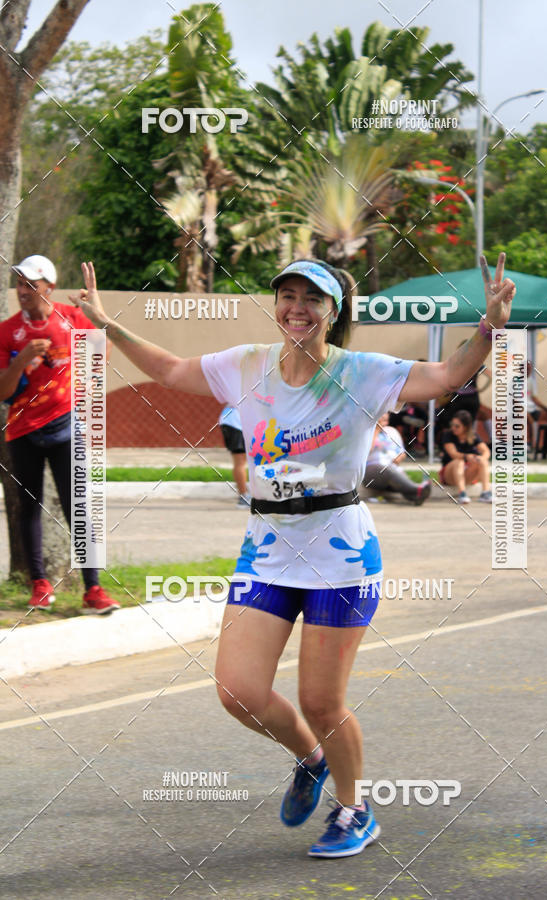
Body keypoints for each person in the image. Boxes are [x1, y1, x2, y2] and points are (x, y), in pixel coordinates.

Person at [68, 252, 515, 858]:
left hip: (341, 557)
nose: (298, 308)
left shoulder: (361, 372)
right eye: (288, 296)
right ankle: (311, 757)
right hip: (267, 552)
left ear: (333, 311)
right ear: (277, 304)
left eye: (313, 299)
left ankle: (355, 810)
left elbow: (444, 376)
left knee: (322, 701)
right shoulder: (246, 365)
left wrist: (488, 329)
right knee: (238, 691)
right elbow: (171, 369)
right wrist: (107, 325)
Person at [0, 255, 120, 613]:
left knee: (79, 507)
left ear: (48, 288)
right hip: (22, 430)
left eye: (30, 284)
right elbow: (3, 392)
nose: (23, 291)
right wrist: (21, 360)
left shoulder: (72, 318)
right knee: (29, 506)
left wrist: (96, 315)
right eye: (19, 283)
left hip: (67, 427)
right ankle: (39, 584)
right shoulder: (7, 331)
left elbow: (104, 348)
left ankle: (93, 589)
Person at [363, 412, 431, 505]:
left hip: (392, 468)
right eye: (382, 413)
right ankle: (417, 489)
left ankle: (416, 495)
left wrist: (398, 458)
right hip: (371, 468)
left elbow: (402, 452)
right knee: (387, 470)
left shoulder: (392, 431)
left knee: (396, 475)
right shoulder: (366, 432)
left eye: (386, 413)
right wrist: (377, 430)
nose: (384, 415)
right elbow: (366, 452)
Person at [439, 410, 492, 504]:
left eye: (457, 426)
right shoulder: (448, 435)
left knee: (483, 461)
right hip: (449, 474)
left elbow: (486, 451)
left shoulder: (473, 436)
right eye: (452, 425)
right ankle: (462, 493)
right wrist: (467, 457)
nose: (453, 428)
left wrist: (482, 458)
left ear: (466, 427)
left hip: (466, 474)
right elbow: (453, 453)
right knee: (459, 461)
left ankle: (486, 493)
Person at [218, 404, 250, 507]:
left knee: (242, 461)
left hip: (231, 420)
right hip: (236, 422)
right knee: (240, 461)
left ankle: (246, 495)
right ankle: (244, 497)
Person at [526, 360, 547, 449]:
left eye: (529, 369)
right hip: (519, 411)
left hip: (531, 410)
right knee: (528, 418)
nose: (528, 371)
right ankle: (529, 443)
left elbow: (535, 399)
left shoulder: (531, 381)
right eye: (526, 369)